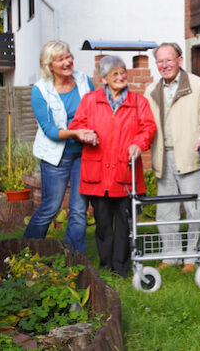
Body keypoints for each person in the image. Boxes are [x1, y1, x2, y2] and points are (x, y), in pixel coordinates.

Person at [69, 55, 156, 277]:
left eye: (123, 72)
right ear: (104, 78)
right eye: (115, 74)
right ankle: (106, 265)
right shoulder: (90, 100)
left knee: (125, 223)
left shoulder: (138, 102)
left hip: (125, 171)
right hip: (97, 173)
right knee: (103, 223)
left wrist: (138, 143)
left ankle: (121, 267)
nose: (121, 77)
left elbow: (148, 128)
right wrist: (85, 135)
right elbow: (76, 126)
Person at [144, 43, 200, 273]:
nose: (165, 65)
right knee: (165, 211)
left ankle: (192, 257)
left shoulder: (196, 85)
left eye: (169, 60)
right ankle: (171, 256)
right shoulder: (150, 91)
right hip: (162, 156)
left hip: (189, 154)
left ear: (179, 60)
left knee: (194, 209)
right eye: (160, 61)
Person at [24, 40, 97, 253]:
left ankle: (73, 258)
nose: (67, 62)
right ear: (49, 65)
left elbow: (94, 111)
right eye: (60, 59)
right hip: (56, 155)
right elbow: (50, 130)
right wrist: (76, 133)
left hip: (83, 154)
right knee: (50, 207)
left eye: (68, 56)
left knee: (78, 209)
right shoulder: (40, 90)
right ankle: (26, 252)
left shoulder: (84, 80)